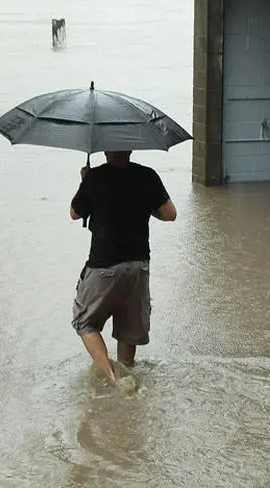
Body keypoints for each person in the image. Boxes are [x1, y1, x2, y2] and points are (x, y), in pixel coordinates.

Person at [69, 150, 178, 385]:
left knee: (84, 321)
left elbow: (75, 213)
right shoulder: (147, 175)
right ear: (130, 149)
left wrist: (85, 181)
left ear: (106, 150)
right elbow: (170, 214)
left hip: (104, 266)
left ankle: (112, 377)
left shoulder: (95, 177)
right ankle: (127, 374)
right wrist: (143, 203)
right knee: (128, 329)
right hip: (138, 267)